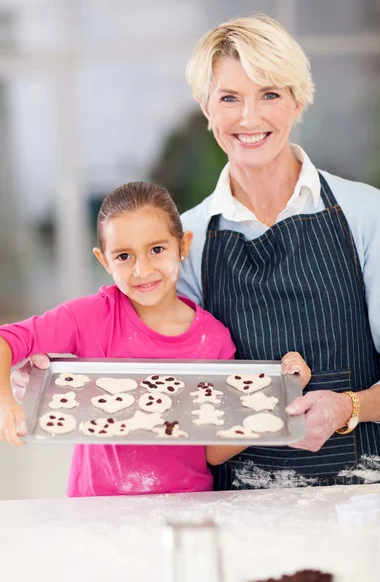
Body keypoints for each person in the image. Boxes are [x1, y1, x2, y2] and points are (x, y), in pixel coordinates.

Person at [177, 14, 380, 488]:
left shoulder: (364, 212)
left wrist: (349, 406)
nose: (249, 118)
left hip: (369, 492)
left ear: (298, 101)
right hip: (242, 501)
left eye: (270, 95)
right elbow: (183, 384)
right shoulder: (187, 238)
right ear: (206, 107)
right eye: (229, 98)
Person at [0, 181, 311, 496]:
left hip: (184, 509)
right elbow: (6, 340)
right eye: (123, 256)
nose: (142, 269)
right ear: (104, 260)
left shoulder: (214, 339)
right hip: (96, 512)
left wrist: (281, 400)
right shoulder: (91, 318)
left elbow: (212, 451)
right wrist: (5, 401)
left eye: (157, 249)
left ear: (183, 246)